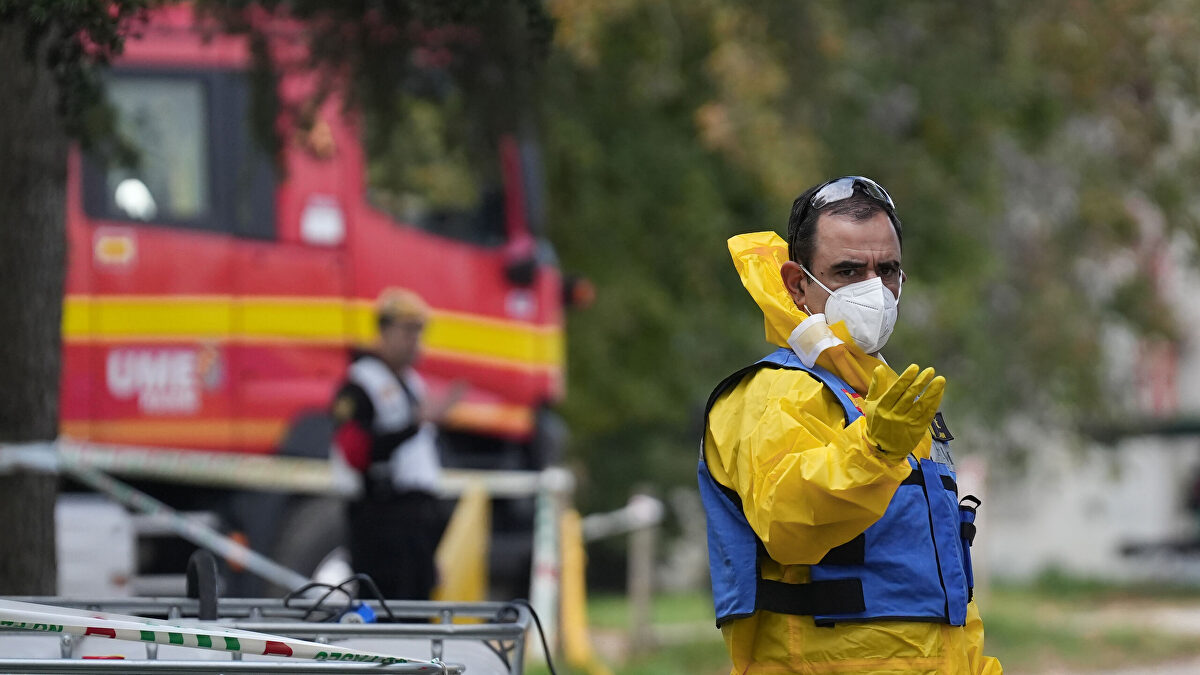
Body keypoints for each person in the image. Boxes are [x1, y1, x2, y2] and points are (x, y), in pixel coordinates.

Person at [698, 176, 1003, 673]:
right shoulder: (771, 394)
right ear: (798, 283)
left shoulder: (882, 398)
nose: (873, 290)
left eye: (887, 270)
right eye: (847, 271)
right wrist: (876, 450)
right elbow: (789, 523)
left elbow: (938, 608)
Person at [331, 287, 458, 600]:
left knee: (418, 605)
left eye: (419, 331)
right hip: (381, 517)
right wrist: (412, 426)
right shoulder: (360, 383)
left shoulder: (412, 383)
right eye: (406, 331)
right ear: (383, 332)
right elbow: (355, 451)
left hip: (416, 521)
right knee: (386, 607)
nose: (414, 340)